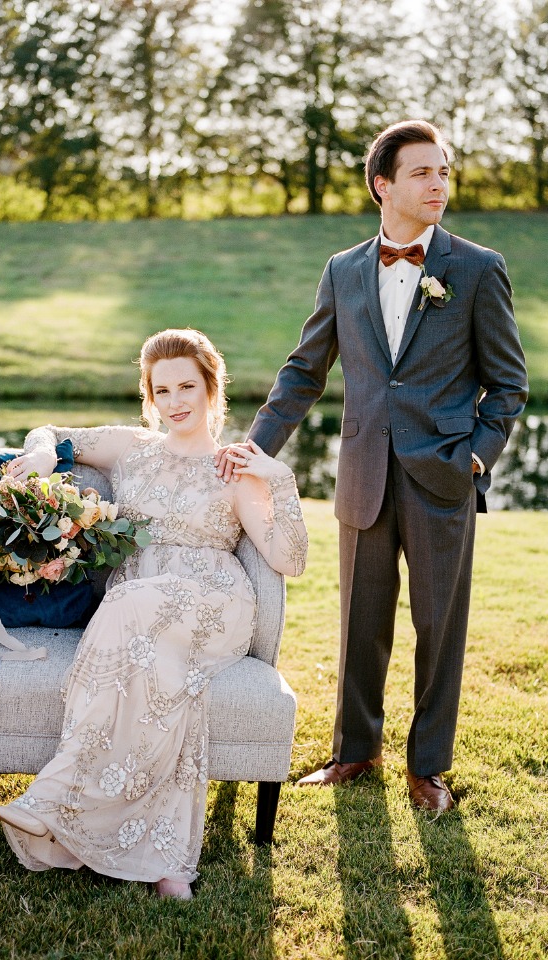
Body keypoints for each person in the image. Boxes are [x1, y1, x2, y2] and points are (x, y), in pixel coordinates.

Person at [217, 120, 528, 812]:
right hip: (361, 473)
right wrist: (255, 448)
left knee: (437, 623)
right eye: (422, 173)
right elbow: (304, 373)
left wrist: (476, 457)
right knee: (360, 620)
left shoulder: (476, 268)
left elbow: (507, 385)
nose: (438, 184)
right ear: (382, 185)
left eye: (443, 172)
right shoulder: (343, 270)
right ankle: (354, 750)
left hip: (443, 472)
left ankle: (429, 767)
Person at [0, 328, 308, 899]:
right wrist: (42, 453)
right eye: (163, 391)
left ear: (213, 387)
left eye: (187, 386)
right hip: (134, 605)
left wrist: (279, 481)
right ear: (149, 396)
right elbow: (53, 432)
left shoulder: (232, 468)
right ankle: (161, 858)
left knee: (132, 607)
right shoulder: (131, 449)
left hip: (212, 601)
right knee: (161, 677)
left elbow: (290, 559)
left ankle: (55, 798)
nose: (176, 402)